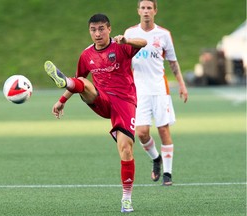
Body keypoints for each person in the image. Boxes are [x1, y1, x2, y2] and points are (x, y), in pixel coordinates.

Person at [44, 14, 147, 213]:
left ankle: (126, 198)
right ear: (89, 31)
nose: (97, 33)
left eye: (101, 29)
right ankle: (63, 81)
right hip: (101, 100)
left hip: (125, 102)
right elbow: (80, 79)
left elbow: (144, 42)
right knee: (84, 84)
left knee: (126, 149)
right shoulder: (86, 55)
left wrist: (126, 40)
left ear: (109, 29)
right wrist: (62, 100)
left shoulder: (121, 46)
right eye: (93, 30)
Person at [124, 0, 188, 186]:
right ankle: (156, 159)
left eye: (149, 8)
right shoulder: (130, 33)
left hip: (160, 89)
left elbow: (173, 62)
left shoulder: (164, 34)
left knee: (163, 130)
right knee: (142, 133)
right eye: (143, 8)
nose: (146, 11)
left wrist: (182, 85)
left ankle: (167, 174)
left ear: (155, 11)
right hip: (139, 91)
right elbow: (125, 60)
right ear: (138, 11)